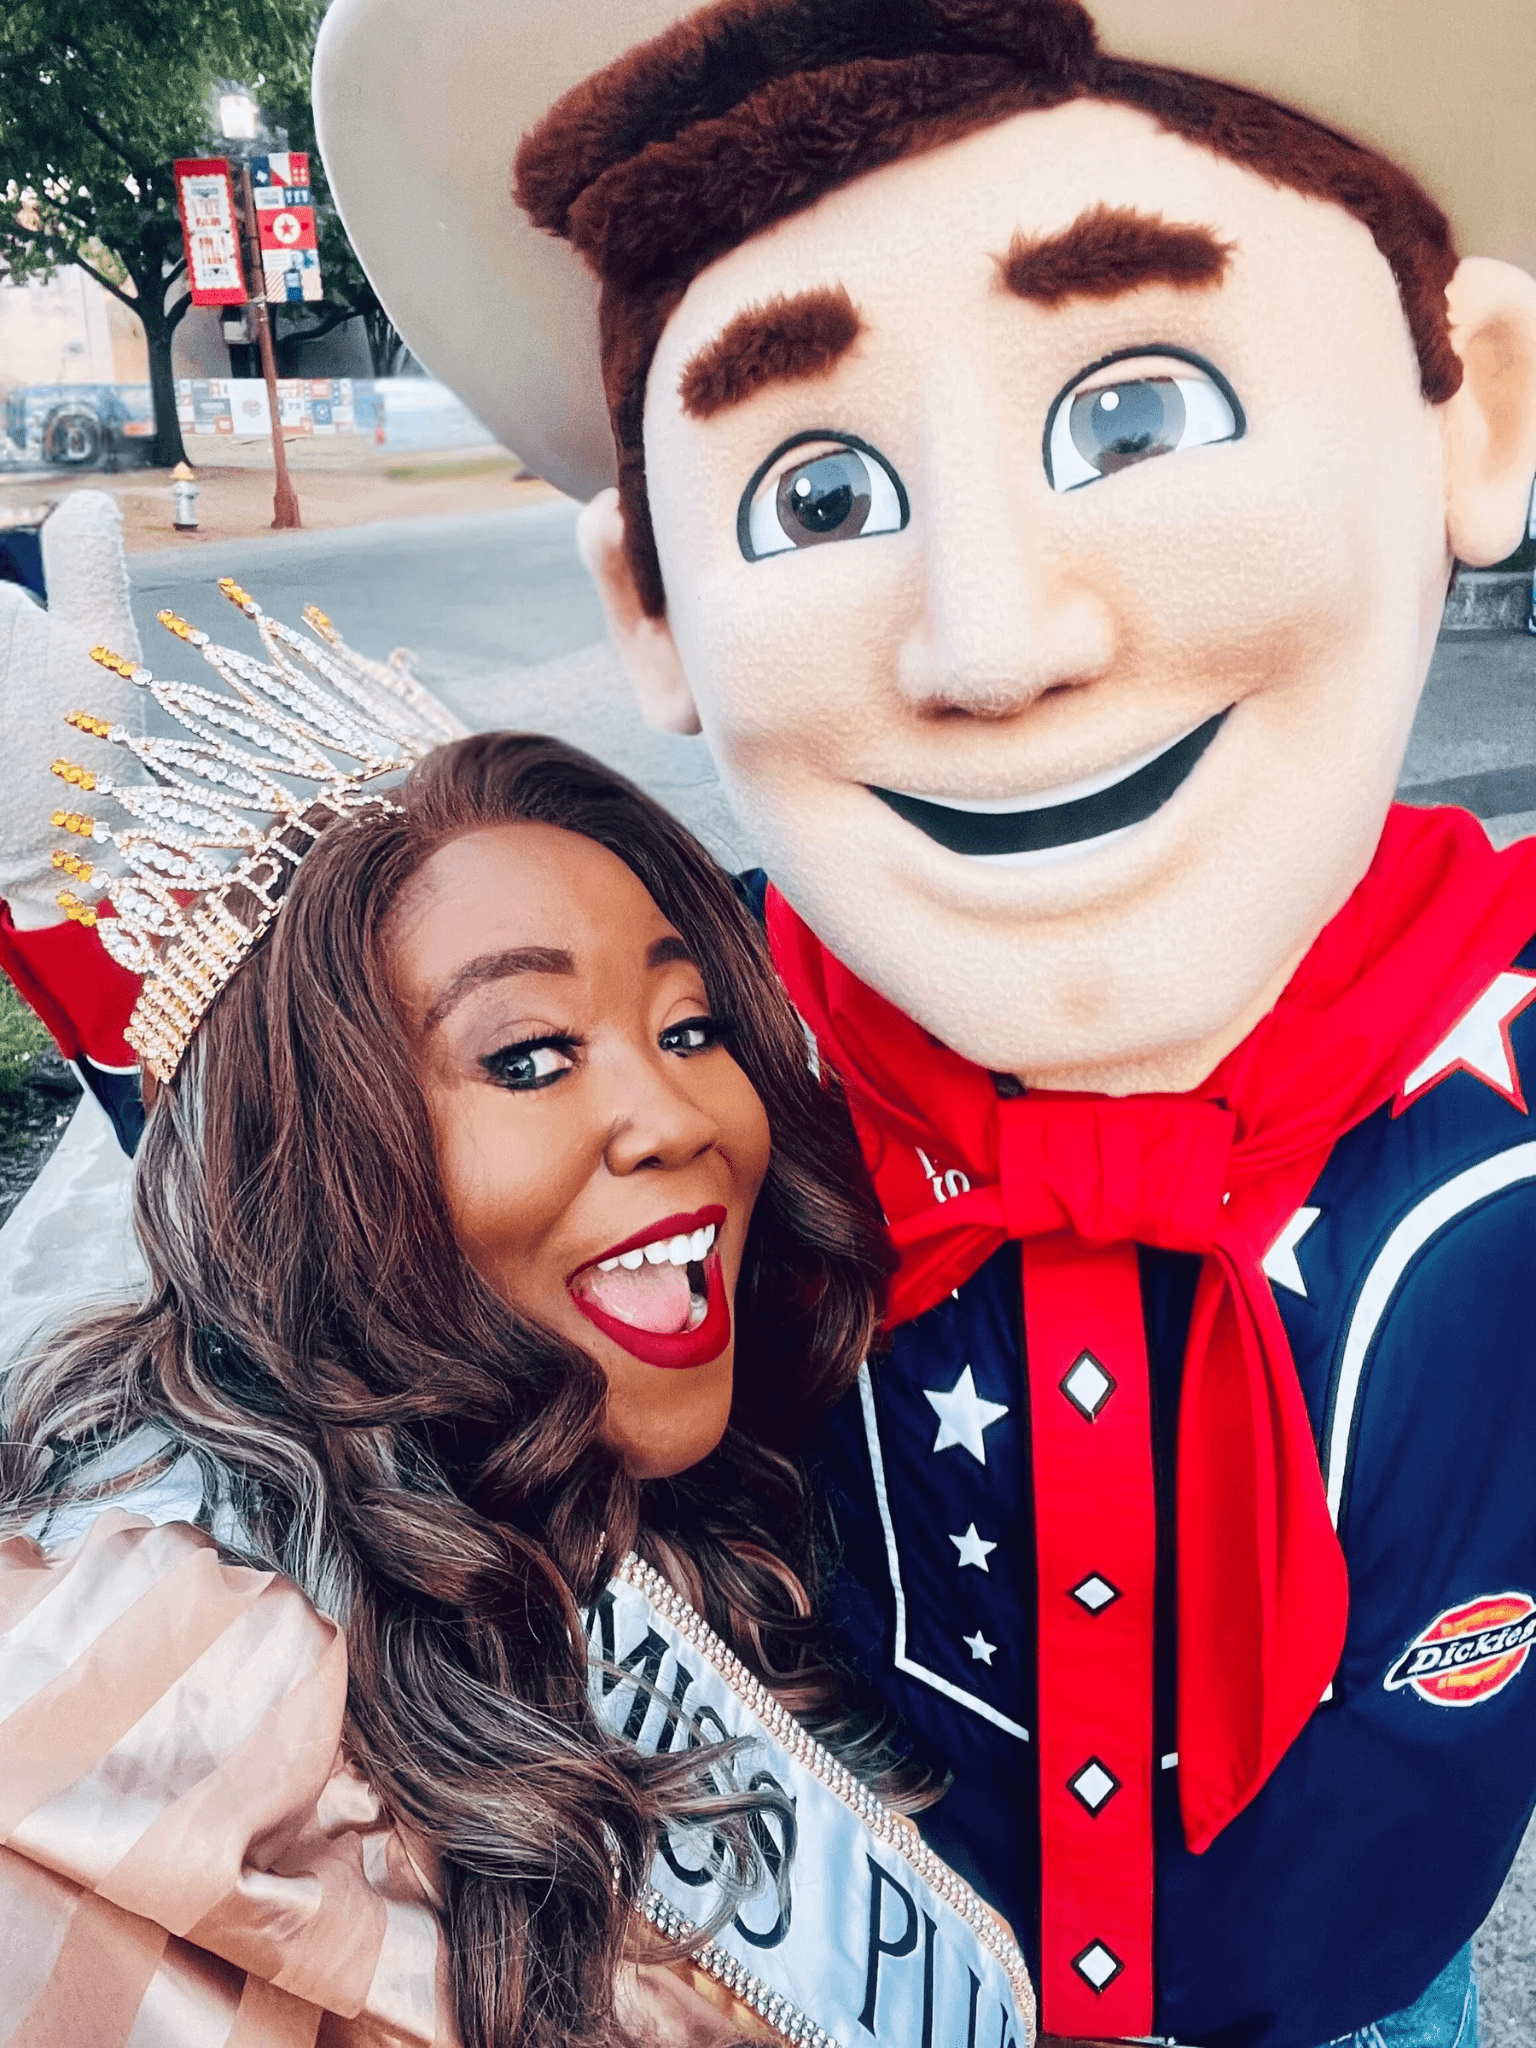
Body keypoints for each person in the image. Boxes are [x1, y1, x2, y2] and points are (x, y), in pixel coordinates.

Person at [313, 1, 1536, 2044]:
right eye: (816, 497)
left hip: (1361, 1991)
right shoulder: (701, 1044)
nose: (993, 637)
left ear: (1472, 417)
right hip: (867, 1987)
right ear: (651, 607)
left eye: (1135, 418)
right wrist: (95, 934)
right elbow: (345, 1242)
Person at [0, 596, 1038, 2047]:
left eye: (689, 1030)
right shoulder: (169, 1680)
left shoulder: (697, 1485)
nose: (678, 1116)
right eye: (531, 1055)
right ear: (313, 1169)